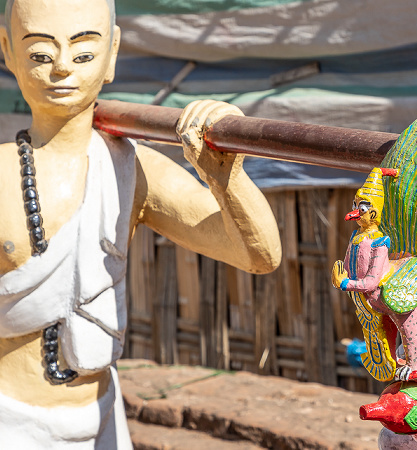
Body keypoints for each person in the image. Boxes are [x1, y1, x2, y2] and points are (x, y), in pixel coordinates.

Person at [0, 0, 281, 447]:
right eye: (39, 53)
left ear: (112, 53)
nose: (61, 69)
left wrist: (224, 175)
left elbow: (258, 255)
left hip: (102, 419)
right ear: (7, 50)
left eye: (84, 53)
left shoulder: (131, 169)